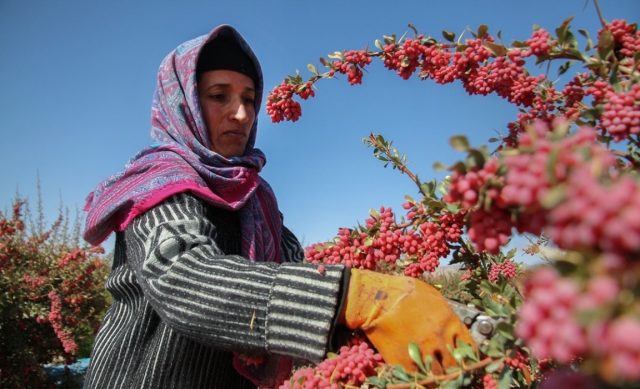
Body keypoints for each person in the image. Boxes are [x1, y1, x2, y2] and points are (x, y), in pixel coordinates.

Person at [82, 24, 474, 389]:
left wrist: (374, 330)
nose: (242, 114)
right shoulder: (160, 186)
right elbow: (185, 279)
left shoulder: (257, 200)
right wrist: (357, 295)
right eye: (219, 96)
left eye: (249, 99)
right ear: (183, 103)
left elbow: (290, 277)